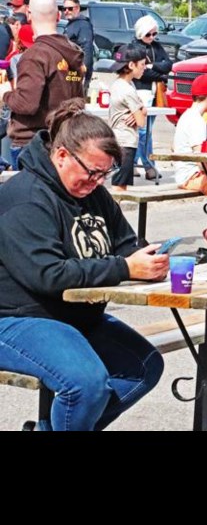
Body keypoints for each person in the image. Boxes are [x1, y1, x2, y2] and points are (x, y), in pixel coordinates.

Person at [0, 100, 168, 430]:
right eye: (92, 171)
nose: (96, 181)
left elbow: (125, 243)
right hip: (18, 317)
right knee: (86, 384)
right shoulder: (26, 197)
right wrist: (124, 268)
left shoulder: (93, 194)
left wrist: (150, 258)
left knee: (144, 367)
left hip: (76, 315)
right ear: (61, 155)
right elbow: (47, 275)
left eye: (104, 174)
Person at [0, 0, 85, 170]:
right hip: (64, 140)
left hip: (33, 143)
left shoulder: (34, 55)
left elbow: (26, 104)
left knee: (32, 198)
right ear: (59, 15)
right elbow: (79, 101)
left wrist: (5, 94)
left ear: (29, 15)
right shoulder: (74, 53)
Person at [131, 16, 172, 181]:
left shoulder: (156, 47)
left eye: (155, 34)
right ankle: (148, 165)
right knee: (143, 132)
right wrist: (158, 73)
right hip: (140, 92)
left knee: (147, 131)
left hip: (155, 94)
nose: (152, 38)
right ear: (141, 32)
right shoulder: (134, 48)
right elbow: (141, 74)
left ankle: (135, 163)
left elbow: (168, 64)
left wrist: (153, 67)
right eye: (149, 34)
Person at [107, 44, 148, 192]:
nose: (145, 68)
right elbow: (141, 122)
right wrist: (142, 111)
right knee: (120, 187)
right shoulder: (128, 90)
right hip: (126, 142)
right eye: (142, 64)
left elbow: (140, 110)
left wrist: (141, 110)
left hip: (117, 139)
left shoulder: (119, 84)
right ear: (131, 65)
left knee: (119, 183)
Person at [173, 74, 207, 192]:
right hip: (191, 176)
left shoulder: (188, 115)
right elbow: (201, 160)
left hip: (186, 175)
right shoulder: (196, 121)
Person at [62, 0, 95, 95]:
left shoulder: (83, 25)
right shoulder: (71, 25)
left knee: (76, 103)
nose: (66, 11)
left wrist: (83, 72)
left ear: (77, 8)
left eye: (70, 8)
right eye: (64, 9)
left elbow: (87, 48)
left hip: (78, 72)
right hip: (70, 71)